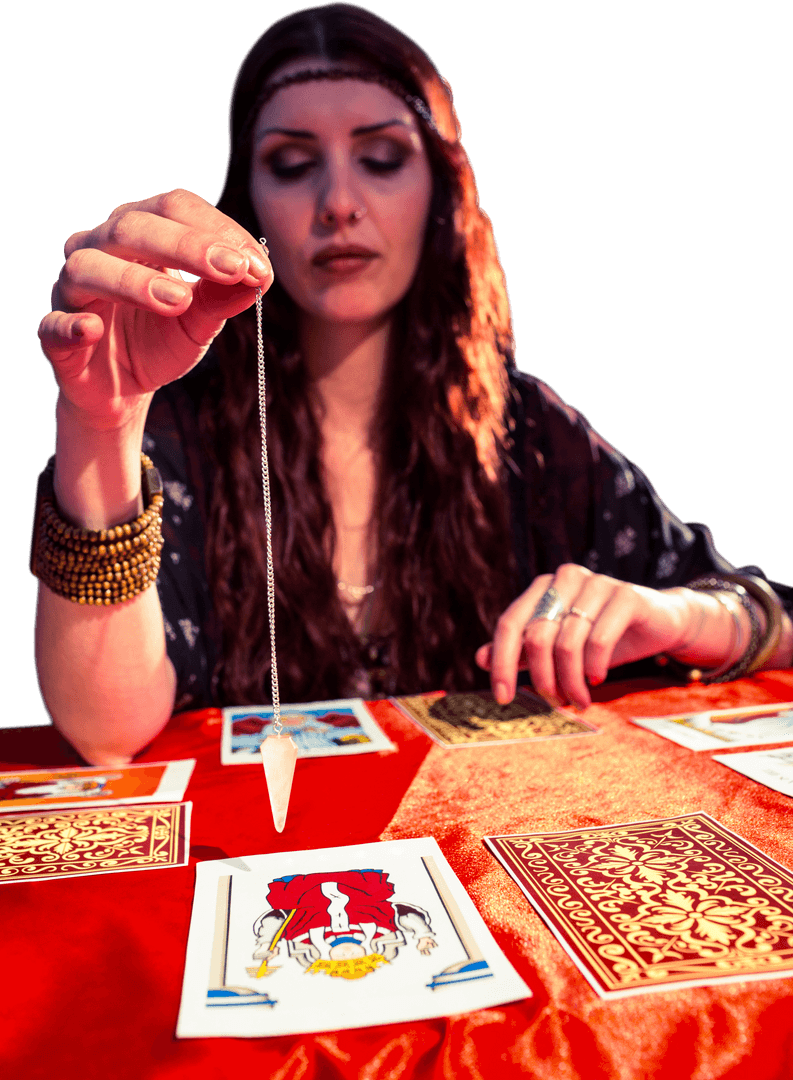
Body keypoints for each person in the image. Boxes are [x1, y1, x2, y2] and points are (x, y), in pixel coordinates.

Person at [32, 2, 793, 766]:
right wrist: (104, 424)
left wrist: (676, 615)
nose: (337, 203)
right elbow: (107, 734)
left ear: (441, 191)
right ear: (245, 204)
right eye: (292, 164)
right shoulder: (174, 434)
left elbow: (773, 620)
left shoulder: (526, 433)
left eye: (382, 157)